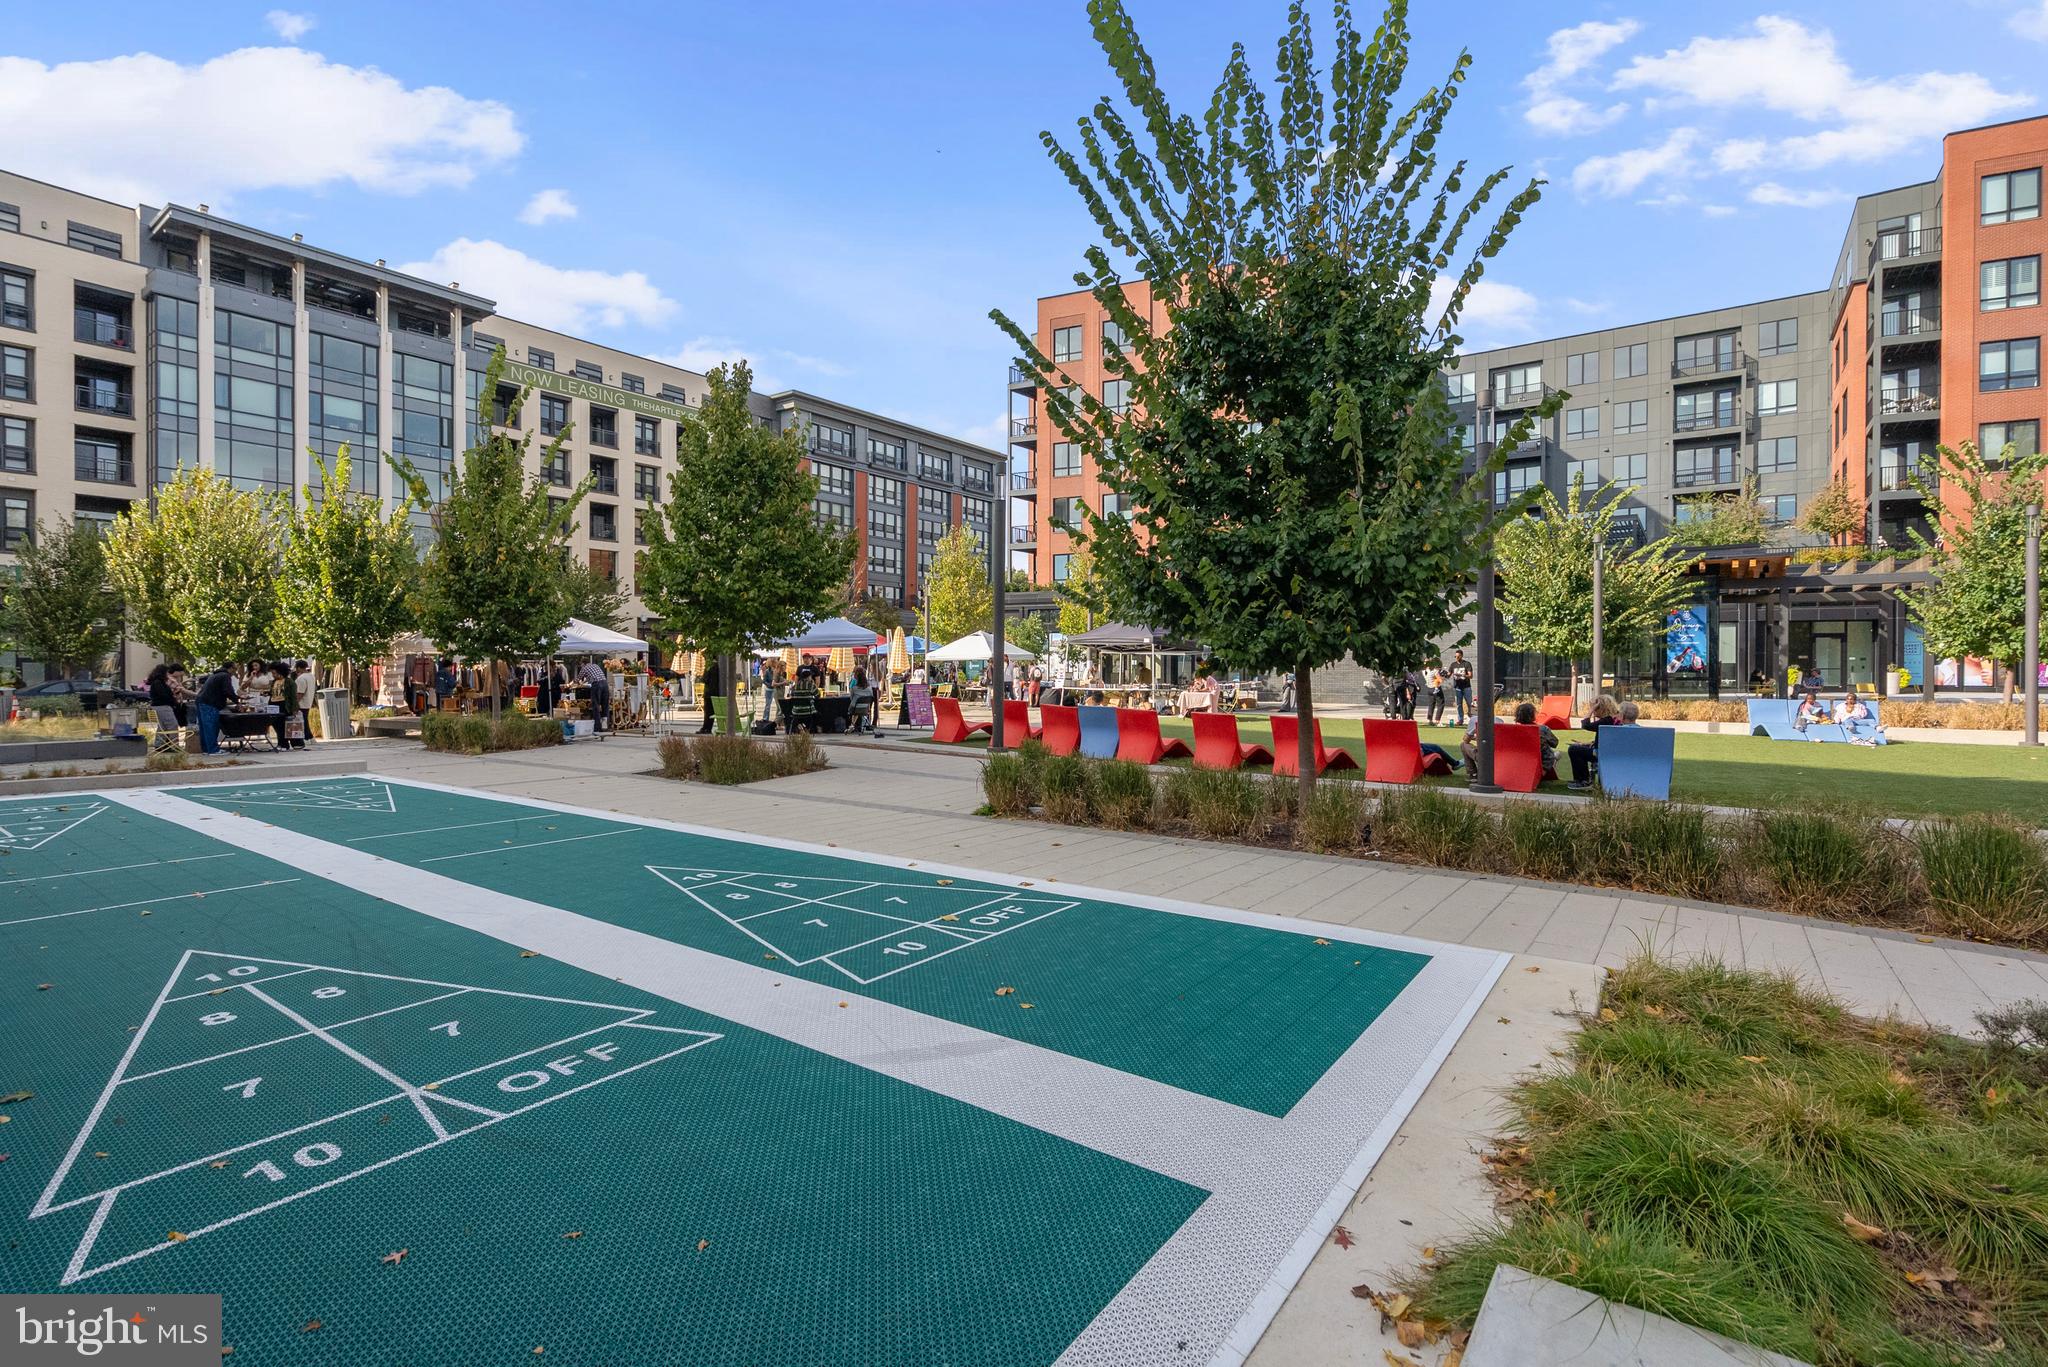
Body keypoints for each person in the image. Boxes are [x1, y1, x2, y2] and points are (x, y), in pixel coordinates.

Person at [1567, 694, 1623, 791]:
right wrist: (1589, 743)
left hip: (1602, 753)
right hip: (1608, 751)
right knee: (1579, 748)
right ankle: (1581, 780)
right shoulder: (1614, 719)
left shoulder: (1606, 720)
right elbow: (1606, 739)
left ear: (1601, 707)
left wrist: (1591, 710)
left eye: (1595, 708)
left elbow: (1585, 725)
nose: (1593, 711)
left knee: (1574, 750)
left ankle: (1583, 781)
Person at [193, 662, 237, 755]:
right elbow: (228, 691)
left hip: (201, 701)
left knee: (204, 727)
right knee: (211, 726)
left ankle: (206, 749)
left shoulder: (215, 675)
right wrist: (237, 701)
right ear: (231, 668)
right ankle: (213, 750)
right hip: (210, 703)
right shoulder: (225, 676)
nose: (235, 672)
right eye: (235, 669)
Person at [578, 659, 611, 733]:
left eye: (581, 665)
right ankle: (605, 726)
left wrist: (570, 684)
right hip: (605, 684)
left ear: (583, 664)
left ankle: (597, 727)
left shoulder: (584, 668)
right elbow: (591, 676)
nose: (581, 666)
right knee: (605, 706)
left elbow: (578, 678)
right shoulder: (595, 665)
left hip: (597, 685)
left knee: (596, 706)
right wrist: (584, 681)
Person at [698, 655, 724, 733]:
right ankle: (709, 728)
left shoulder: (709, 666)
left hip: (708, 692)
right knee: (712, 712)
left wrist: (701, 678)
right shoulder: (719, 666)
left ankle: (705, 728)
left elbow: (704, 679)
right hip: (717, 692)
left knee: (707, 712)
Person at [293, 661, 316, 746]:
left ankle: (307, 737)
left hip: (301, 703)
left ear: (298, 668)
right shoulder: (312, 676)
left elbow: (300, 692)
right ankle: (310, 737)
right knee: (305, 720)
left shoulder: (301, 678)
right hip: (308, 701)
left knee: (302, 721)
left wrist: (295, 703)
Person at [1449, 649, 1474, 726]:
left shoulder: (1466, 664)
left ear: (1461, 656)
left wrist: (1462, 675)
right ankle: (1460, 720)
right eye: (1455, 656)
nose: (1456, 658)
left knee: (1469, 704)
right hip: (1457, 687)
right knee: (1459, 704)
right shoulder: (1453, 665)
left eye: (1458, 656)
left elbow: (1471, 676)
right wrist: (1444, 674)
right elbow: (1449, 674)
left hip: (1466, 687)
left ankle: (1472, 719)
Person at [848, 667, 877, 733]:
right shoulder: (869, 687)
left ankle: (852, 725)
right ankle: (863, 725)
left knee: (854, 710)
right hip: (865, 708)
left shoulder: (854, 688)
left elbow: (851, 698)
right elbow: (871, 696)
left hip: (854, 708)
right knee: (859, 709)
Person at [1425, 661, 1447, 725]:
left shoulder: (1427, 671)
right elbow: (1440, 680)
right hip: (1436, 688)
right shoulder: (1435, 671)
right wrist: (1443, 676)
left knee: (1431, 704)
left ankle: (1430, 720)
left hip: (1429, 689)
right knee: (1441, 704)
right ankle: (1437, 720)